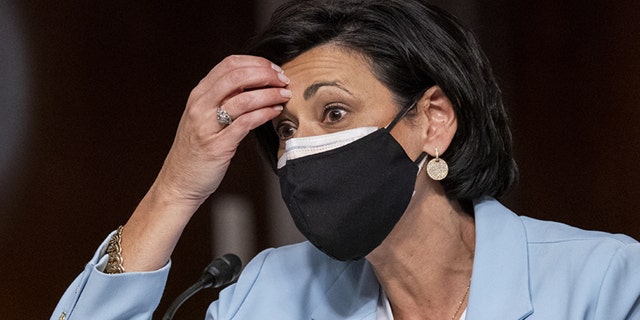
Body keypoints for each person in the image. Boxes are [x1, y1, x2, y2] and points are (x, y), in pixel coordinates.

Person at [52, 0, 640, 319]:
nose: (300, 149)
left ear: (432, 121)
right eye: (285, 129)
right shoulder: (265, 296)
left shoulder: (605, 281)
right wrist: (176, 189)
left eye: (333, 113)